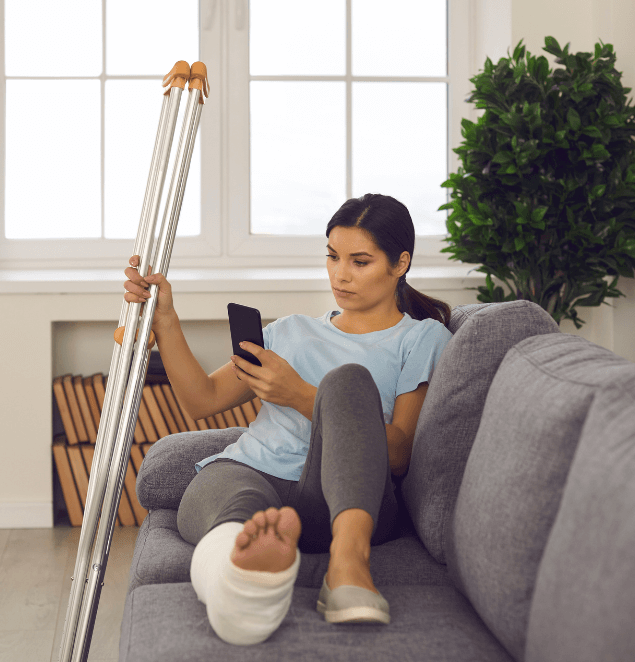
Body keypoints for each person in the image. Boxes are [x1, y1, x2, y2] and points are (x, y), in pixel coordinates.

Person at [121, 193, 453, 645]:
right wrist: (167, 321)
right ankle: (237, 577)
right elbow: (203, 399)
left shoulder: (420, 338)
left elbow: (397, 454)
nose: (340, 274)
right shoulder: (292, 330)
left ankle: (348, 567)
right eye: (333, 257)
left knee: (348, 382)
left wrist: (297, 395)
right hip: (247, 476)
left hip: (336, 501)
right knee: (234, 503)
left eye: (360, 261)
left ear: (400, 264)